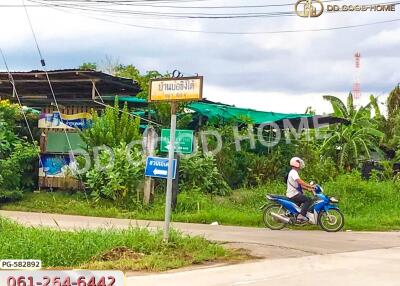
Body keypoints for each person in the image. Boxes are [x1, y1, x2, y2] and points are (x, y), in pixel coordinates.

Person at [286, 157, 315, 222]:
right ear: (295, 163)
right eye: (299, 162)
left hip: (294, 193)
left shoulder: (294, 172)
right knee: (308, 200)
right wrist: (310, 186)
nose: (300, 164)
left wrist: (308, 188)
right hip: (293, 194)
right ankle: (301, 216)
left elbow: (299, 186)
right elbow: (299, 181)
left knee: (300, 205)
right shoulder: (293, 172)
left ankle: (296, 217)